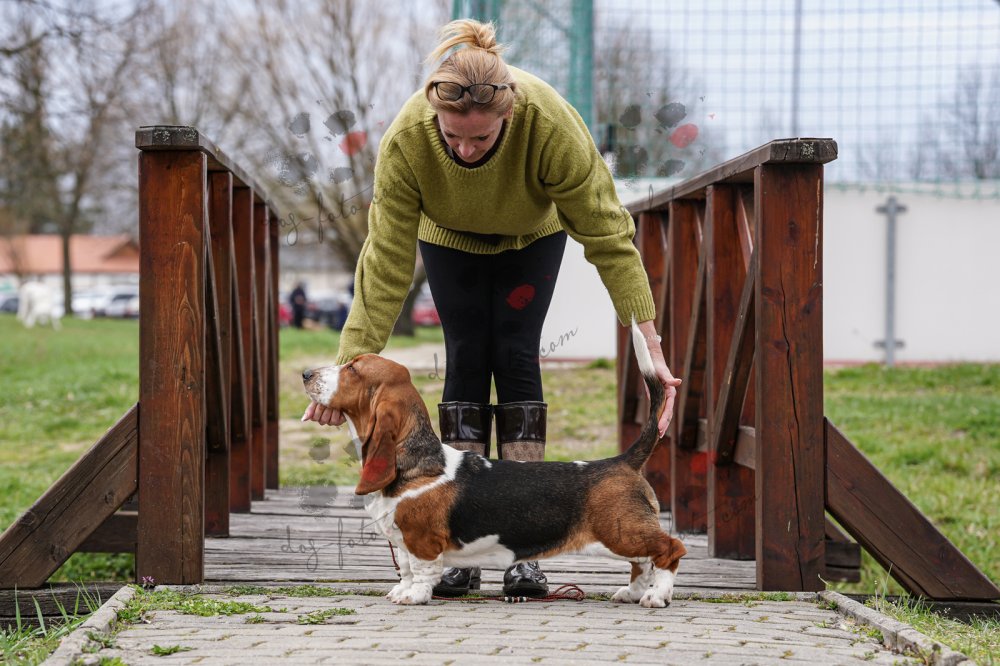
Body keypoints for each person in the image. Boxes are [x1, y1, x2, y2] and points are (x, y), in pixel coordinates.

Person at [301, 19, 681, 599]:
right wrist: (347, 372)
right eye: (452, 135)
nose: (465, 149)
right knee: (466, 357)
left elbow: (609, 235)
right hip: (448, 238)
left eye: (480, 138)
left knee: (516, 354)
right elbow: (384, 264)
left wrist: (650, 344)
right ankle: (458, 544)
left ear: (509, 113)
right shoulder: (407, 139)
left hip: (533, 237)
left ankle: (525, 545)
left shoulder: (549, 123)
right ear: (435, 115)